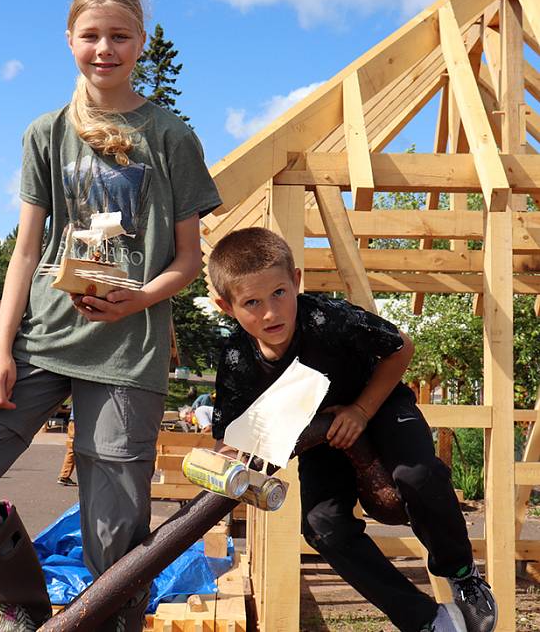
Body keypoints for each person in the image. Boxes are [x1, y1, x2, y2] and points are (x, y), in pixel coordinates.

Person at [0, 0, 221, 632]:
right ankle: (25, 598)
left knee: (113, 539)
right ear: (69, 41)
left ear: (139, 42)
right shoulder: (46, 133)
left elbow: (189, 261)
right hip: (38, 345)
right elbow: (25, 253)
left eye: (119, 36)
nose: (104, 48)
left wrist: (137, 298)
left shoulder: (170, 136)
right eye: (91, 35)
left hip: (126, 359)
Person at [207, 227, 497, 632]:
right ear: (226, 306)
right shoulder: (237, 357)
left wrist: (361, 410)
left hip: (377, 405)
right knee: (321, 526)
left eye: (279, 294)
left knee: (418, 474)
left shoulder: (328, 318)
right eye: (252, 302)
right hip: (319, 437)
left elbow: (401, 347)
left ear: (296, 281)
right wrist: (231, 461)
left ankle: (463, 574)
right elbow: (227, 437)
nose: (270, 313)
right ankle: (425, 619)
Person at [57, 404, 76, 486]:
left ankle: (64, 476)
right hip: (78, 421)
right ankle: (64, 476)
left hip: (75, 420)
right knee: (72, 449)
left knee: (72, 448)